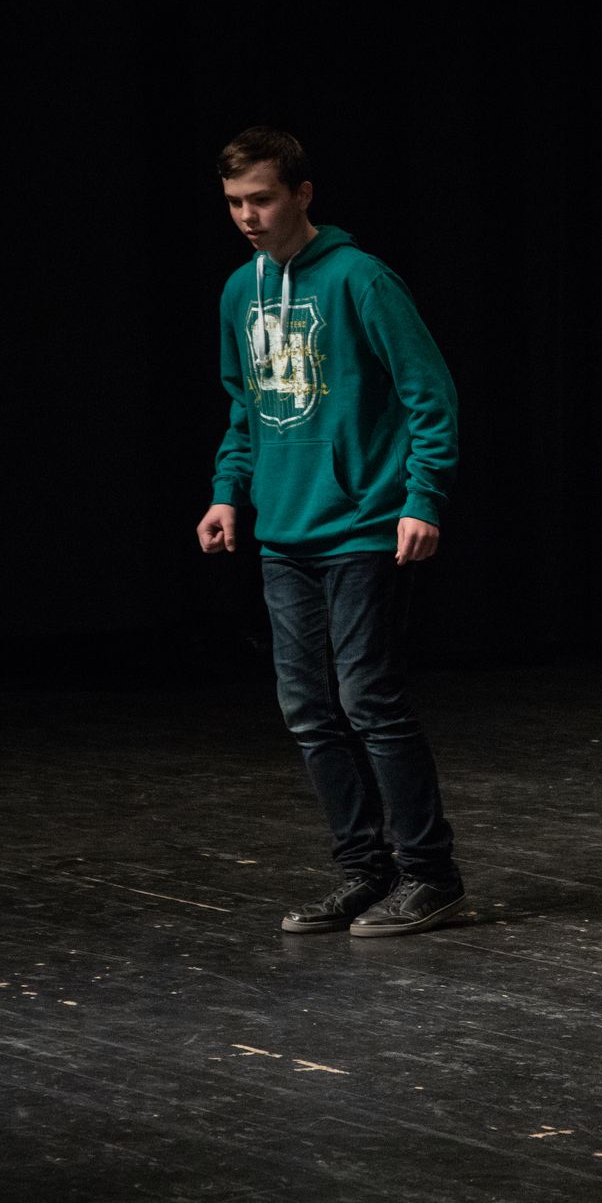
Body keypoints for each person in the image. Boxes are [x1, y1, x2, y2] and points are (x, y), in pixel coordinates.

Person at [196, 127, 465, 938]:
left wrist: (422, 497)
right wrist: (227, 493)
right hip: (284, 531)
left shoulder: (360, 278)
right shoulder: (239, 292)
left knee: (368, 698)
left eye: (262, 199)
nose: (248, 216)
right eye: (235, 203)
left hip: (361, 524)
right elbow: (245, 405)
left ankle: (430, 874)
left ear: (302, 194)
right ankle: (363, 869)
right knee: (308, 708)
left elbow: (429, 393)